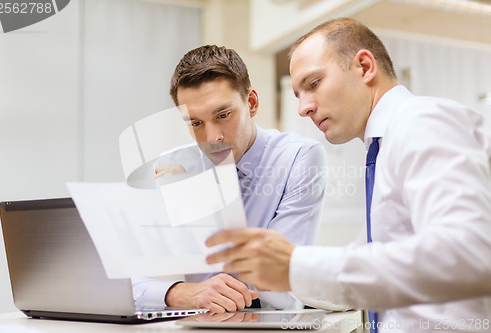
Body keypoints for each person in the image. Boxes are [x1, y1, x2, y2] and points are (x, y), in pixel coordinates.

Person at [206, 18, 491, 332]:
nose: (303, 108)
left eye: (313, 84)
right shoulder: (383, 149)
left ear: (365, 67)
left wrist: (295, 265)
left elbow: (468, 253)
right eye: (298, 94)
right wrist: (281, 271)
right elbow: (368, 262)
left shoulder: (422, 121)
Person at [132, 45, 328, 313]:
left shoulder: (299, 158)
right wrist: (180, 293)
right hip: (197, 325)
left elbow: (281, 289)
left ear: (252, 103)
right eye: (195, 123)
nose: (213, 138)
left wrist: (202, 209)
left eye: (223, 115)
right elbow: (130, 279)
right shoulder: (170, 166)